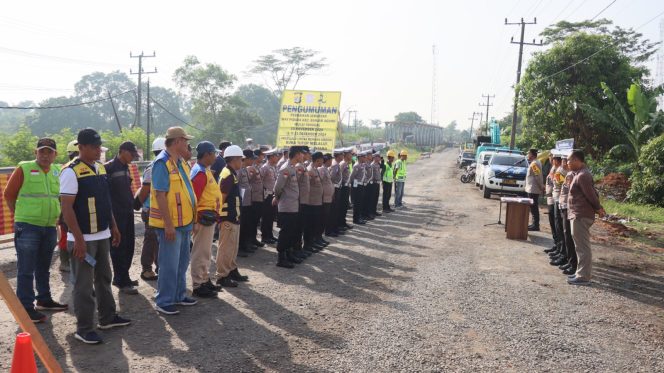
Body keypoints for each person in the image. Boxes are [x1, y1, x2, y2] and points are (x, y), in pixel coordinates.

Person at [60, 128, 130, 344]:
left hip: (102, 234)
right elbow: (67, 208)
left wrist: (114, 227)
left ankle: (107, 317)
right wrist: (78, 239)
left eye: (99, 146)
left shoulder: (99, 168)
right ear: (81, 148)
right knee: (83, 285)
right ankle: (84, 328)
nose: (99, 150)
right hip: (83, 239)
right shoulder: (70, 172)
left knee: (104, 278)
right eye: (94, 147)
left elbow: (105, 201)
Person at [3, 138, 68, 323]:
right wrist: (21, 216)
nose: (45, 155)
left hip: (49, 226)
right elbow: (8, 195)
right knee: (26, 269)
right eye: (42, 151)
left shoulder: (58, 171)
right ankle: (25, 308)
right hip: (28, 226)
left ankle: (44, 299)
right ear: (35, 153)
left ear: (55, 154)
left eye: (49, 152)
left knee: (43, 267)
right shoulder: (24, 168)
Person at [149, 126, 198, 315]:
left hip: (184, 222)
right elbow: (160, 195)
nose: (187, 143)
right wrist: (168, 224)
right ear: (177, 141)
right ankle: (164, 300)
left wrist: (192, 219)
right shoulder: (162, 163)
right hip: (171, 225)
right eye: (185, 140)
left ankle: (179, 294)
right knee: (169, 263)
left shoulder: (181, 162)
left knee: (182, 261)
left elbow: (187, 191)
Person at [104, 141, 140, 295]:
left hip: (127, 213)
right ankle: (121, 280)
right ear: (123, 151)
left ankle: (123, 276)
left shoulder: (126, 167)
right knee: (118, 248)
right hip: (116, 215)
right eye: (132, 154)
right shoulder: (108, 168)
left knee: (129, 246)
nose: (133, 157)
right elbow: (105, 195)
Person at [189, 141, 224, 298]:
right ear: (207, 154)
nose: (216, 157)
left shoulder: (205, 170)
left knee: (206, 251)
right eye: (214, 154)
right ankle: (198, 284)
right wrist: (194, 221)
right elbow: (193, 198)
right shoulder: (200, 173)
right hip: (202, 218)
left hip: (208, 217)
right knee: (200, 252)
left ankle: (204, 279)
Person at [566, 150, 605, 286]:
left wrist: (598, 208)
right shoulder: (577, 174)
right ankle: (580, 273)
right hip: (577, 214)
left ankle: (583, 276)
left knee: (582, 246)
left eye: (569, 160)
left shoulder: (583, 175)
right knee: (579, 246)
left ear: (577, 160)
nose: (567, 163)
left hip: (581, 215)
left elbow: (591, 195)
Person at [214, 145, 249, 287]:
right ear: (234, 159)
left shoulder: (230, 172)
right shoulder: (228, 174)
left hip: (233, 216)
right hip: (227, 217)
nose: (242, 162)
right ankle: (222, 275)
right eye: (241, 159)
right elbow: (221, 197)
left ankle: (232, 269)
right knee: (225, 248)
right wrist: (218, 217)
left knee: (232, 247)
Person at [134, 137, 165, 282]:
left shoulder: (162, 164)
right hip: (151, 209)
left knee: (159, 241)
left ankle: (160, 268)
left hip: (157, 209)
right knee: (151, 240)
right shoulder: (154, 167)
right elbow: (145, 189)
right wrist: (138, 204)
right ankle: (146, 269)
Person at [273, 146, 305, 268]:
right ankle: (281, 258)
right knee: (286, 232)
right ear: (296, 155)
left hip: (293, 205)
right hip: (286, 206)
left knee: (292, 231)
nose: (303, 156)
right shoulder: (285, 168)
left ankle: (288, 254)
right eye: (301, 154)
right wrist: (277, 198)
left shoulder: (292, 167)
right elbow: (278, 187)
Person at [56, 140, 81, 272]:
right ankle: (64, 262)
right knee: (65, 236)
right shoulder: (68, 169)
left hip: (71, 207)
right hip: (66, 208)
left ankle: (68, 261)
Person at [558, 158, 577, 276]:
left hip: (568, 207)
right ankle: (569, 260)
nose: (566, 163)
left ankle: (573, 264)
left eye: (567, 161)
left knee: (569, 236)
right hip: (563, 205)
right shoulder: (568, 173)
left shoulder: (573, 174)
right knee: (565, 234)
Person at [549, 154, 568, 267]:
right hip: (555, 197)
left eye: (553, 158)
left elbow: (560, 184)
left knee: (560, 227)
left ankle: (562, 252)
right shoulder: (556, 169)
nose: (551, 160)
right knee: (556, 226)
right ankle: (559, 248)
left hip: (560, 199)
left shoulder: (563, 171)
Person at [306, 151, 326, 252]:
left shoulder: (315, 169)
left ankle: (313, 242)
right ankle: (309, 244)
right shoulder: (310, 170)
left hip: (317, 201)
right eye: (322, 160)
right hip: (312, 202)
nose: (323, 161)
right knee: (310, 224)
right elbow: (307, 187)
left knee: (315, 223)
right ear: (318, 160)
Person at [238, 149, 257, 257]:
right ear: (247, 159)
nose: (253, 161)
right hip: (242, 203)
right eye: (251, 159)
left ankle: (245, 244)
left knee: (246, 225)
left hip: (247, 202)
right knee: (242, 226)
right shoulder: (240, 170)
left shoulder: (244, 169)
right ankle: (240, 247)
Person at [260, 148, 279, 244]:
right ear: (271, 157)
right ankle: (265, 236)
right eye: (276, 156)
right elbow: (260, 181)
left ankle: (270, 234)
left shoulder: (274, 167)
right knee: (266, 216)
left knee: (271, 216)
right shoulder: (265, 167)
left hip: (273, 194)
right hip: (267, 195)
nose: (277, 157)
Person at [249, 149, 266, 249]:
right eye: (261, 156)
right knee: (252, 220)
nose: (262, 158)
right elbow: (248, 181)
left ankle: (253, 238)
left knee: (256, 220)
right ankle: (250, 240)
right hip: (253, 197)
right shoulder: (251, 168)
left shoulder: (258, 167)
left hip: (259, 196)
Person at [326, 149, 344, 237]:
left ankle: (334, 228)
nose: (343, 156)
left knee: (335, 210)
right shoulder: (335, 165)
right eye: (341, 154)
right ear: (338, 155)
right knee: (333, 211)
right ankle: (330, 230)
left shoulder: (336, 164)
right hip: (334, 189)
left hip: (337, 188)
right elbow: (331, 178)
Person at [525, 149, 544, 231]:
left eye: (528, 154)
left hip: (533, 189)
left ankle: (536, 225)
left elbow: (538, 176)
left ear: (532, 155)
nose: (527, 155)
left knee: (534, 207)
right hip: (531, 188)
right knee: (532, 207)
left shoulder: (535, 163)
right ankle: (534, 224)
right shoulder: (534, 162)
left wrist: (541, 187)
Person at [320, 154, 336, 239]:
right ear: (327, 160)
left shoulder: (325, 169)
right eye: (330, 160)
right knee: (324, 216)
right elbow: (320, 183)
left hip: (328, 197)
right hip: (324, 197)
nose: (331, 162)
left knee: (327, 215)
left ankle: (326, 232)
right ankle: (325, 232)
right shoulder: (322, 169)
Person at [337, 148, 353, 231]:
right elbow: (339, 175)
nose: (351, 155)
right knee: (342, 206)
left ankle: (343, 222)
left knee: (345, 207)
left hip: (346, 186)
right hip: (343, 187)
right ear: (346, 155)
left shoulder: (347, 163)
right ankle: (340, 223)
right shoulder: (343, 164)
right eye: (350, 154)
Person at [350, 151, 367, 225]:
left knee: (360, 203)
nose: (365, 158)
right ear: (360, 157)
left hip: (361, 185)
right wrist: (354, 188)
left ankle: (359, 217)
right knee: (357, 203)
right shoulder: (356, 165)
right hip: (357, 187)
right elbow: (352, 177)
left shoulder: (362, 165)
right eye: (363, 157)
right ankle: (356, 219)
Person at [370, 152, 382, 217]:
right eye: (378, 157)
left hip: (377, 183)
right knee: (373, 198)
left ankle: (374, 211)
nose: (379, 158)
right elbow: (371, 175)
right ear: (374, 157)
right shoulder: (372, 165)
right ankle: (371, 211)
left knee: (376, 198)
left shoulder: (377, 164)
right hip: (374, 183)